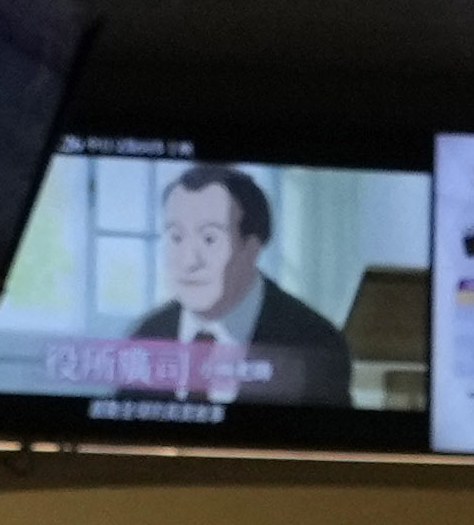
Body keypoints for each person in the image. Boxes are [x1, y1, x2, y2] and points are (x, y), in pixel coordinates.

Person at [137, 156, 357, 409]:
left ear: (251, 248)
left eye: (209, 239)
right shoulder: (147, 335)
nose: (189, 260)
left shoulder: (315, 343)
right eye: (176, 237)